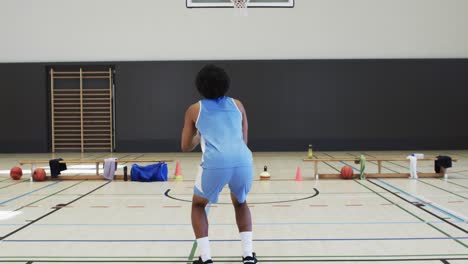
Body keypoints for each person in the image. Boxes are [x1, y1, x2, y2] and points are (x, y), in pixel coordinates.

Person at [181, 64, 257, 264]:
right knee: (240, 203)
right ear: (226, 84)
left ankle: (206, 258)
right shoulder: (238, 104)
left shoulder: (194, 110)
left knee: (198, 205)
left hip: (216, 163)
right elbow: (244, 139)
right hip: (243, 160)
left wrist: (198, 137)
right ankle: (248, 255)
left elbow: (185, 146)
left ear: (199, 86)